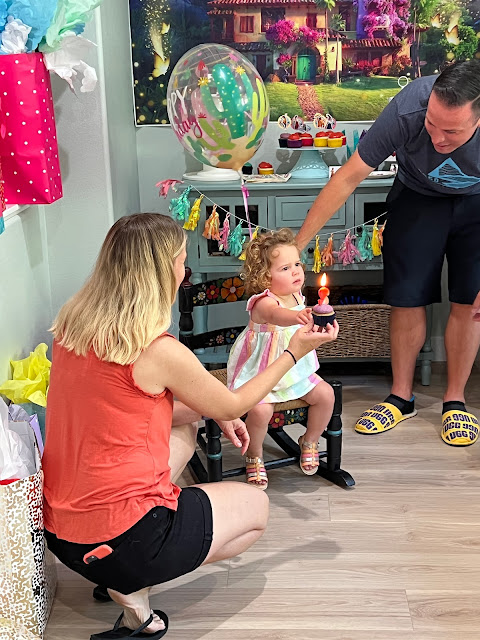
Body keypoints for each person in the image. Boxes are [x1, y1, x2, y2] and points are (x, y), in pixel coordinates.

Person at [42, 213, 331, 640]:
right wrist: (294, 352)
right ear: (162, 271)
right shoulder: (159, 350)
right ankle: (133, 590)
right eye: (181, 261)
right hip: (123, 540)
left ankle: (123, 567)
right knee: (256, 509)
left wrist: (213, 411)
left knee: (188, 424)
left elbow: (139, 406)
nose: (185, 269)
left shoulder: (72, 325)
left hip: (61, 533)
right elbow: (238, 401)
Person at [296, 60, 480, 447]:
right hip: (417, 196)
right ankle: (401, 397)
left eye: (451, 131)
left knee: (470, 301)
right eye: (431, 124)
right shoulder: (408, 107)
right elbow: (347, 177)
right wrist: (296, 246)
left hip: (477, 203)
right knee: (406, 297)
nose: (437, 138)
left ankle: (455, 400)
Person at [227, 229, 339, 489]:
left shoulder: (297, 295)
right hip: (261, 372)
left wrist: (318, 326)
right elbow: (276, 315)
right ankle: (254, 454)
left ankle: (309, 440)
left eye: (297, 264)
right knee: (260, 410)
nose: (296, 272)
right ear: (265, 276)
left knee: (326, 395)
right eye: (285, 268)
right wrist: (297, 316)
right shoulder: (263, 302)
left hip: (293, 369)